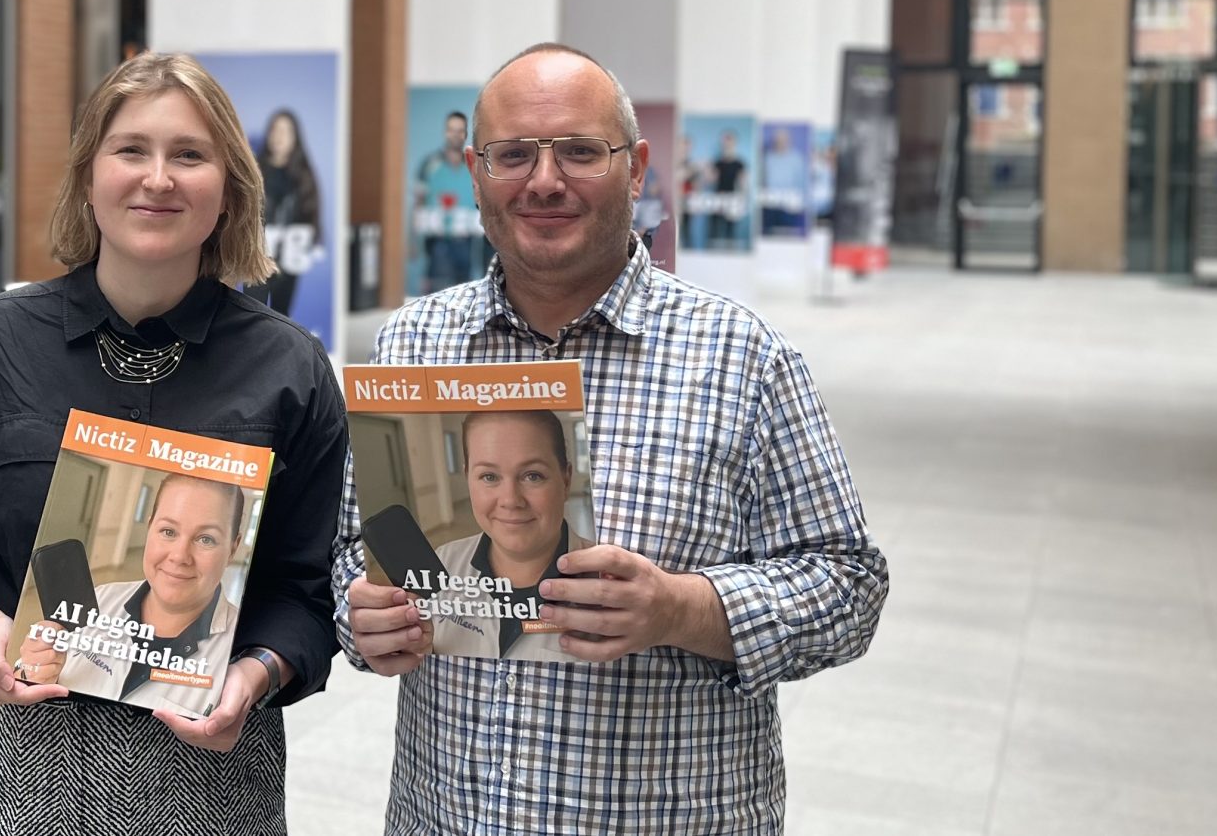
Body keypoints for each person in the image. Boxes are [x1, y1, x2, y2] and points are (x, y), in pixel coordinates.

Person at [335, 43, 888, 835]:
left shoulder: (742, 356)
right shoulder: (415, 343)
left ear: (637, 169)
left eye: (581, 151)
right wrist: (360, 617)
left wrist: (682, 608)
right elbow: (351, 546)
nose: (545, 180)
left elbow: (850, 586)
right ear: (474, 170)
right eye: (513, 155)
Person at [0, 51, 347, 836]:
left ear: (228, 191)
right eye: (132, 151)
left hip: (207, 776)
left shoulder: (288, 369)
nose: (159, 178)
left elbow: (309, 583)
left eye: (189, 155)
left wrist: (255, 677)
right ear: (89, 177)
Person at [14, 474, 249, 715]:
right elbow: (21, 689)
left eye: (206, 539)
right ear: (149, 528)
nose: (179, 556)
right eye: (168, 531)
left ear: (233, 548)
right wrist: (28, 671)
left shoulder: (242, 654)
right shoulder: (98, 601)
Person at [426, 410, 593, 661]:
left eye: (532, 476)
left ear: (566, 480)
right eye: (489, 477)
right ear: (468, 478)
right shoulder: (442, 563)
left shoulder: (607, 582)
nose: (510, 500)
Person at [250, 108, 321, 314]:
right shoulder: (255, 170)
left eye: (286, 131)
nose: (280, 136)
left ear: (295, 137)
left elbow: (311, 213)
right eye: (276, 130)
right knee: (254, 311)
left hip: (291, 253)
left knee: (282, 314)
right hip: (258, 253)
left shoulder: (303, 175)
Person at [413, 110, 481, 293]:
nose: (455, 134)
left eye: (460, 130)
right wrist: (413, 241)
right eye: (451, 129)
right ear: (445, 132)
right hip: (437, 242)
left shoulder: (474, 165)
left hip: (466, 241)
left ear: (466, 134)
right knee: (437, 293)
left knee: (465, 294)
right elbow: (418, 202)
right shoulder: (430, 164)